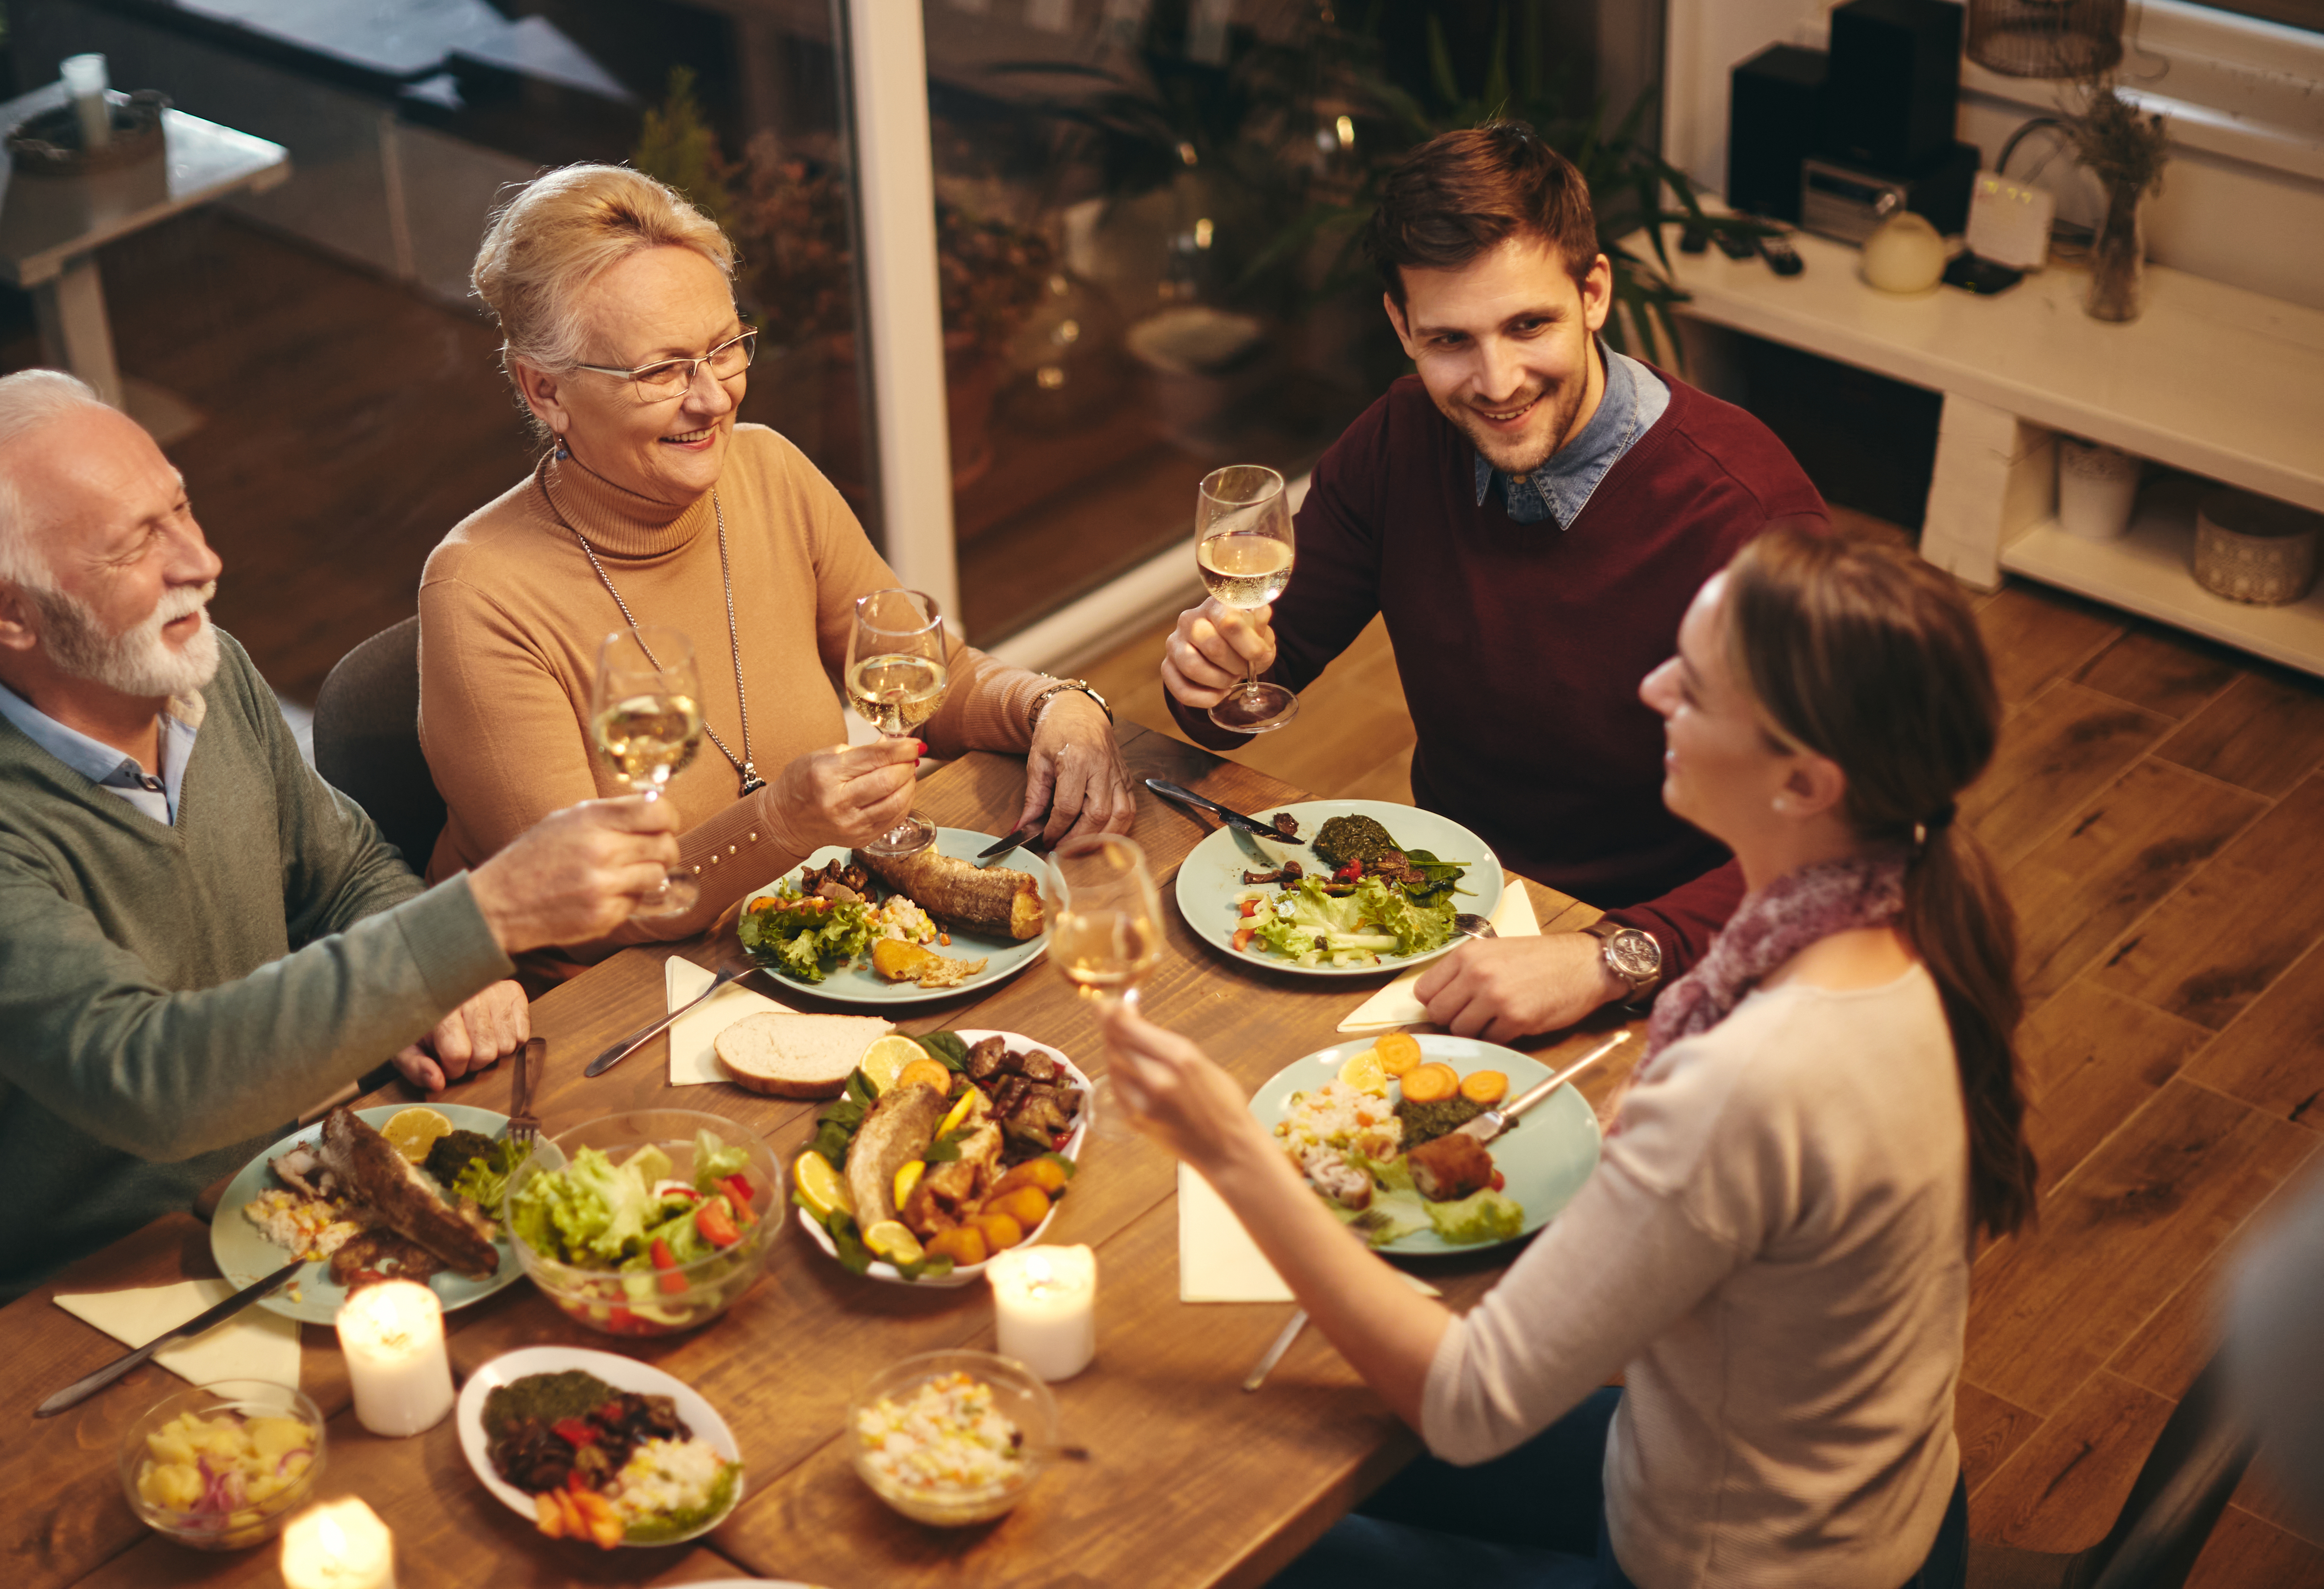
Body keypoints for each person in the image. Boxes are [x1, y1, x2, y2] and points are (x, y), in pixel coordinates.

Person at [1105, 530, 2038, 1588]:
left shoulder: (1752, 1077)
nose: (1651, 690)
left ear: (1805, 782)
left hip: (1726, 1563)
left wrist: (1232, 1150)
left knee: (1206, 1537)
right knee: (1269, 1427)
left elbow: (1467, 1404)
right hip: (1860, 1502)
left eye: (1696, 685)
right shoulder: (1901, 923)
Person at [0, 371, 681, 1358]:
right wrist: (481, 920)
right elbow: (154, 1082)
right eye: (134, 545)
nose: (201, 560)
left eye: (181, 507)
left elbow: (346, 874)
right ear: (8, 612)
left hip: (260, 1217)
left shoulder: (208, 672)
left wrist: (421, 983)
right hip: (34, 1311)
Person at [1162, 123, 1828, 1041]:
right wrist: (1207, 673)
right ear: (1401, 326)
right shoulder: (1402, 437)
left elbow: (1839, 840)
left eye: (1529, 325)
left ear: (1593, 293)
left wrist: (1609, 956)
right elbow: (1249, 688)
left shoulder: (1746, 514)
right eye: (1450, 340)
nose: (1498, 381)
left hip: (1675, 952)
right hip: (1444, 909)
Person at [417, 163, 1133, 973]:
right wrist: (781, 824)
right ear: (544, 389)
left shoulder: (768, 471)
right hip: (603, 1012)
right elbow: (581, 912)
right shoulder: (479, 592)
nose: (714, 399)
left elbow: (929, 680)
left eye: (725, 349)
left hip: (801, 947)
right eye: (662, 370)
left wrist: (1054, 705)